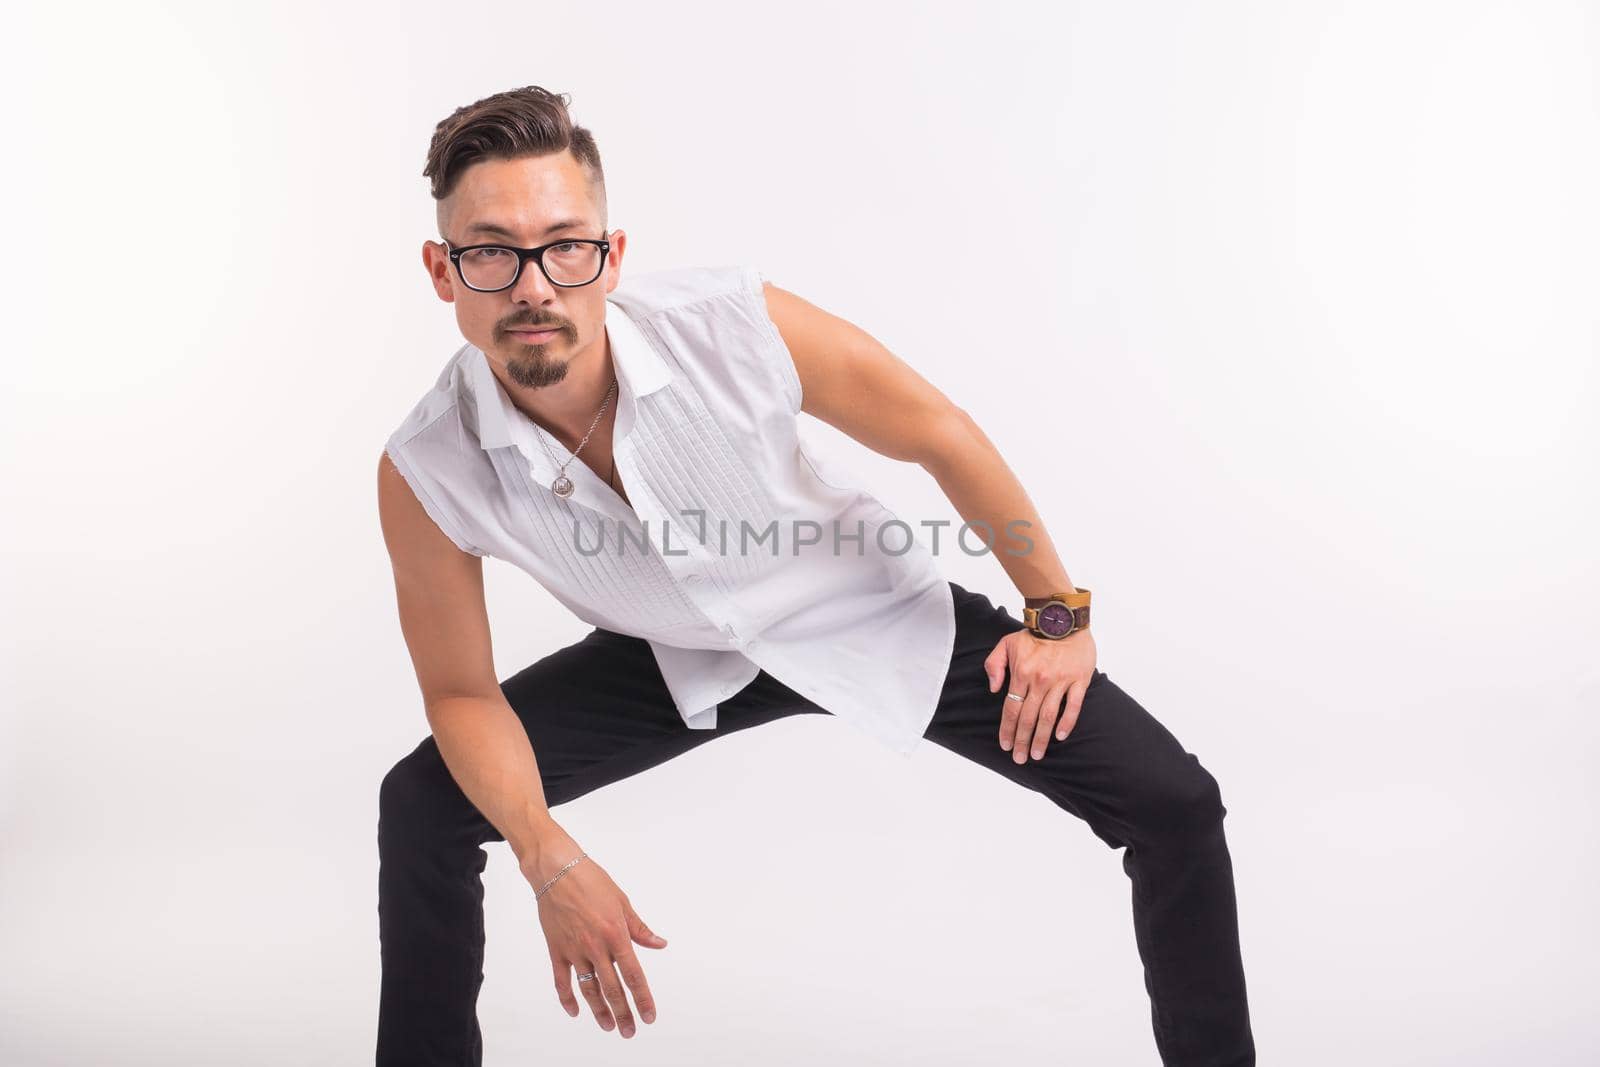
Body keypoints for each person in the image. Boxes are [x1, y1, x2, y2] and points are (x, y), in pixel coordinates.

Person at [375, 85, 1255, 1067]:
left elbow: (938, 431)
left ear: (611, 256)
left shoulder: (728, 325)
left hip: (867, 608)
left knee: (1175, 800)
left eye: (564, 245)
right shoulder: (425, 469)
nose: (533, 285)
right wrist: (547, 854)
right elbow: (459, 689)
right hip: (673, 651)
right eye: (491, 251)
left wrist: (1056, 614)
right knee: (422, 802)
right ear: (443, 271)